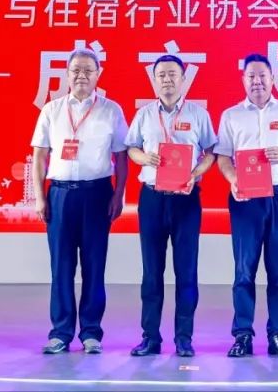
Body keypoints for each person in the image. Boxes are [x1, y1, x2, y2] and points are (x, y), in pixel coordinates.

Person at [30, 48, 129, 355]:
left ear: (98, 74)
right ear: (67, 74)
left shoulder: (111, 110)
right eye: (76, 70)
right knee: (61, 266)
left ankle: (91, 333)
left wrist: (118, 194)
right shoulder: (52, 110)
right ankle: (60, 332)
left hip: (97, 194)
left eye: (88, 70)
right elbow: (39, 156)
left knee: (94, 266)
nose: (82, 76)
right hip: (60, 195)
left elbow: (121, 158)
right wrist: (40, 196)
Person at [214, 53, 278, 359]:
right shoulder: (231, 115)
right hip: (245, 199)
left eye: (262, 76)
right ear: (243, 80)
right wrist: (233, 179)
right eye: (251, 76)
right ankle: (242, 334)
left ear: (272, 79)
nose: (257, 81)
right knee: (244, 270)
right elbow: (223, 156)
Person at [124, 54, 217, 358]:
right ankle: (150, 337)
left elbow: (211, 152)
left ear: (183, 79)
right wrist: (144, 158)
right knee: (152, 271)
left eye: (172, 74)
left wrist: (195, 172)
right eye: (161, 75)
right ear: (154, 79)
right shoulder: (144, 114)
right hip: (152, 198)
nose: (167, 79)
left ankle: (184, 338)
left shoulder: (198, 114)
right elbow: (131, 148)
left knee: (186, 271)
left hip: (186, 199)